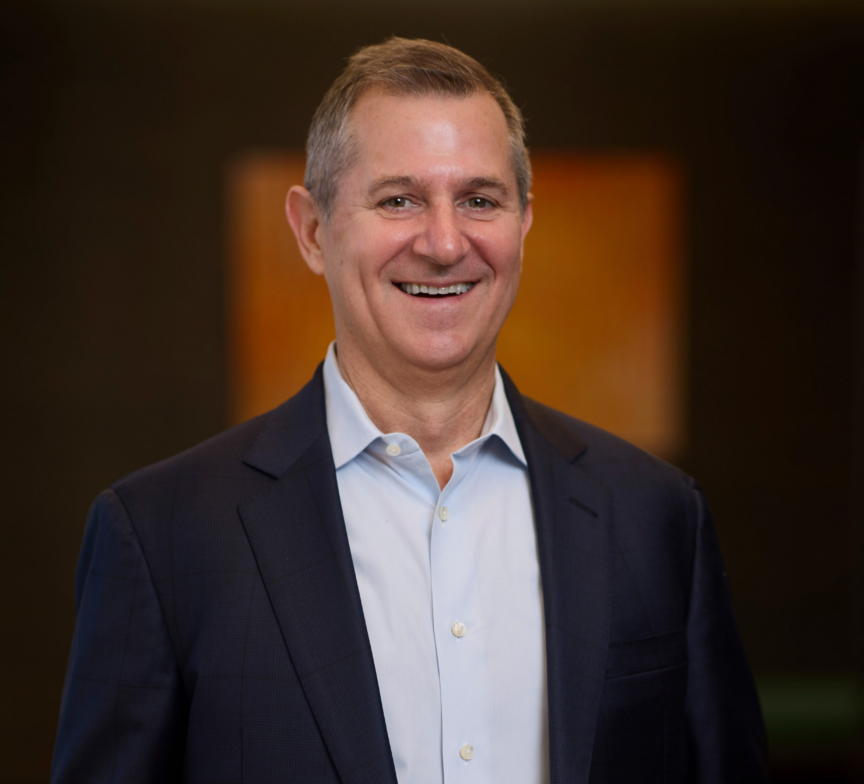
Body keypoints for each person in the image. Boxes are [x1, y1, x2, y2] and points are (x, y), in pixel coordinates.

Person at [51, 37, 767, 784]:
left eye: (480, 200)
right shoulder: (163, 535)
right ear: (313, 230)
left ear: (523, 224)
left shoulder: (655, 517)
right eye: (399, 200)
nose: (444, 242)